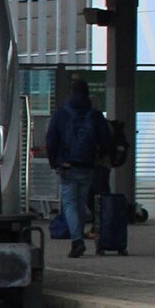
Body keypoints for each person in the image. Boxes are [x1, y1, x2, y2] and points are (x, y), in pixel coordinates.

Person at [46, 79, 111, 258]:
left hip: (67, 166)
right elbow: (105, 139)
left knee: (69, 203)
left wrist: (55, 162)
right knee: (81, 203)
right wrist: (100, 155)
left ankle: (77, 241)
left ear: (72, 92)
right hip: (87, 165)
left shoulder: (61, 114)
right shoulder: (95, 115)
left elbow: (51, 139)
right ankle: (78, 236)